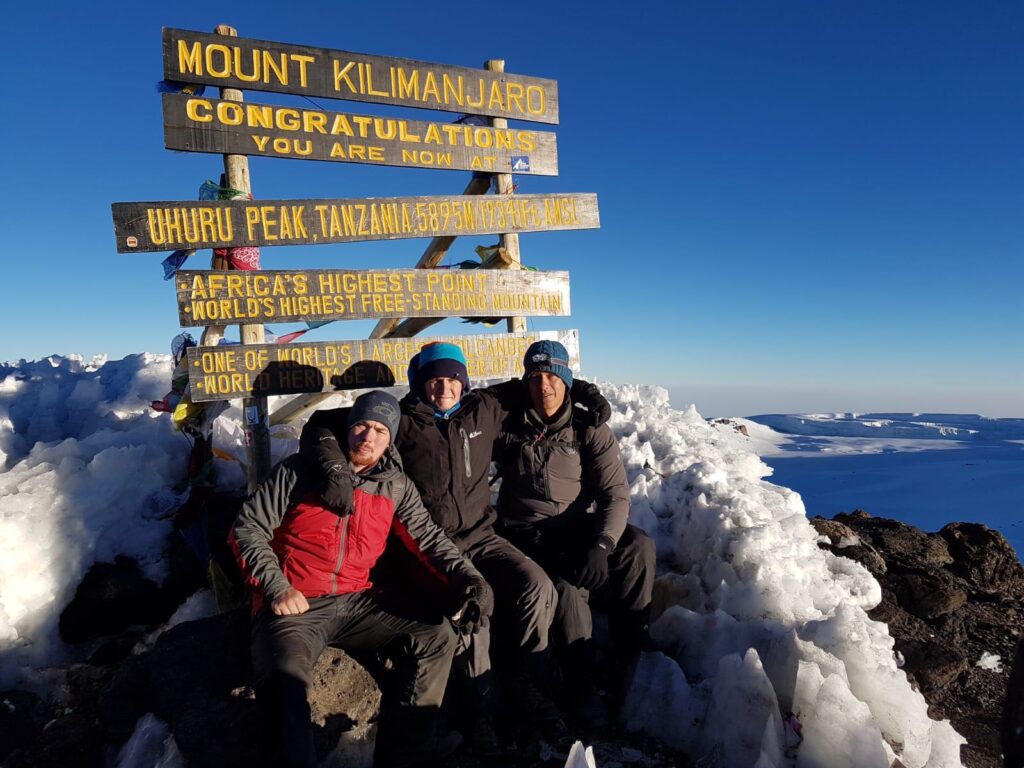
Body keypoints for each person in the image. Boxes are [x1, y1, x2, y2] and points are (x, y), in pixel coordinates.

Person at [300, 342, 611, 750]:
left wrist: (584, 391)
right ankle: (478, 712)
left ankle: (527, 686)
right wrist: (335, 468)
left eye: (452, 379)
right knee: (471, 609)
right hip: (427, 545)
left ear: (463, 382)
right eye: (434, 380)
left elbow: (537, 383)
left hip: (482, 535)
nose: (444, 388)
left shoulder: (483, 407)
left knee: (538, 588)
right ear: (419, 382)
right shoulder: (401, 421)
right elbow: (322, 423)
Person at [231, 390, 493, 768]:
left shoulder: (394, 485)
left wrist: (471, 582)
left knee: (436, 635)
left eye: (380, 431)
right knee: (285, 684)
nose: (368, 437)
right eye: (362, 426)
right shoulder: (297, 471)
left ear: (390, 440)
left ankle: (406, 756)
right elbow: (247, 529)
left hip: (355, 600)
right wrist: (277, 587)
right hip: (295, 603)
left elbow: (430, 540)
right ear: (349, 427)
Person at [494, 340, 656, 722]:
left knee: (638, 546)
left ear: (567, 380)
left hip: (576, 525)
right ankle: (580, 680)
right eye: (535, 377)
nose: (544, 386)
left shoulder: (589, 428)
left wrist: (602, 545)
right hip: (526, 533)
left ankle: (632, 644)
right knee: (567, 589)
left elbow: (615, 495)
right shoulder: (505, 424)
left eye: (553, 376)